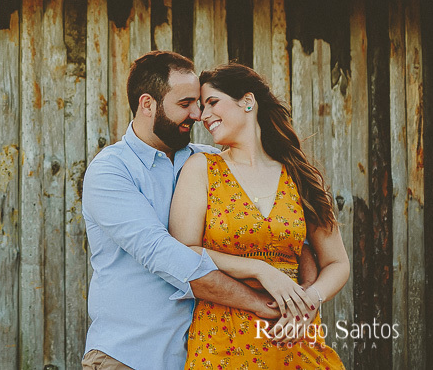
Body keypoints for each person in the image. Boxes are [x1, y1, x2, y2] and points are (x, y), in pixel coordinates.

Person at [82, 52, 314, 370]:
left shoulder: (211, 163)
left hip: (206, 356)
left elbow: (287, 236)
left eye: (200, 103)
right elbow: (167, 256)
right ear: (147, 104)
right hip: (130, 356)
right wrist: (263, 300)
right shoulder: (111, 171)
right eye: (185, 103)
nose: (197, 114)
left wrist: (305, 300)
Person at [169, 62, 348, 369]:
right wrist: (259, 269)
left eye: (212, 102)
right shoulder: (202, 169)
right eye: (201, 107)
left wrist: (311, 299)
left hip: (294, 339)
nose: (204, 116)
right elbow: (184, 251)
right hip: (222, 342)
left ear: (247, 101)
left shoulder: (301, 175)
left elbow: (337, 262)